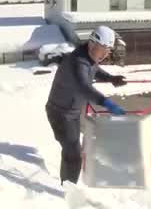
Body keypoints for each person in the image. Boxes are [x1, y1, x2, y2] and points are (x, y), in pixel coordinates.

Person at [45, 25, 128, 185]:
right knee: (73, 154)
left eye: (108, 50)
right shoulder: (78, 61)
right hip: (59, 113)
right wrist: (108, 104)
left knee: (73, 149)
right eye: (103, 49)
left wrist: (111, 78)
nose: (105, 54)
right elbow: (84, 87)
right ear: (92, 43)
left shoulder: (89, 57)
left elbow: (95, 70)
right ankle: (66, 189)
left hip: (72, 113)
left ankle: (67, 184)